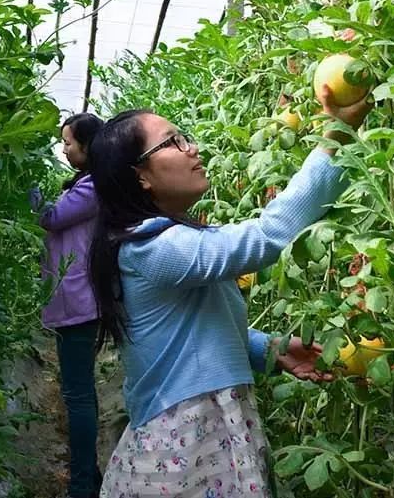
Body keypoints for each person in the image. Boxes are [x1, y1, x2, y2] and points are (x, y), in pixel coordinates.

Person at [87, 87, 370, 497]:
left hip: (200, 435)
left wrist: (270, 349)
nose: (192, 148)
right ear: (140, 176)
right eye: (173, 142)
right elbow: (266, 237)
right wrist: (336, 136)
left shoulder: (159, 240)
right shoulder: (153, 248)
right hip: (183, 448)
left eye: (184, 137)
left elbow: (190, 330)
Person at [29, 112, 105, 498]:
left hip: (80, 303)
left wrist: (26, 183)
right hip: (77, 301)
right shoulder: (90, 183)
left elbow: (52, 218)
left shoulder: (94, 186)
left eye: (68, 143)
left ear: (88, 146)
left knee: (77, 396)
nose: (63, 149)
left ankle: (81, 487)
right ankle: (89, 476)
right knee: (81, 392)